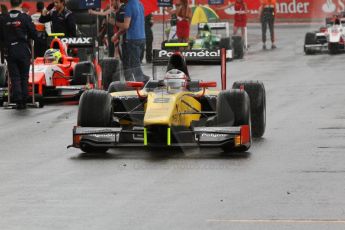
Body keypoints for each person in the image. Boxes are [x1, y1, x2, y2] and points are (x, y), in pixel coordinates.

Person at [0, 0, 37, 109]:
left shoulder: (3, 18)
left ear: (10, 3)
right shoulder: (25, 17)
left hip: (10, 50)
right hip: (23, 49)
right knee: (24, 76)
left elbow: (1, 36)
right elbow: (33, 33)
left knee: (14, 76)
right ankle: (24, 100)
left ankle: (18, 100)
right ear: (21, 3)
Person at [116, 0, 148, 82]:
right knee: (137, 63)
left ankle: (141, 84)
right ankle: (142, 79)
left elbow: (126, 25)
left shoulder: (129, 5)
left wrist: (116, 23)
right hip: (142, 37)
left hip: (133, 38)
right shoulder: (140, 4)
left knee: (134, 66)